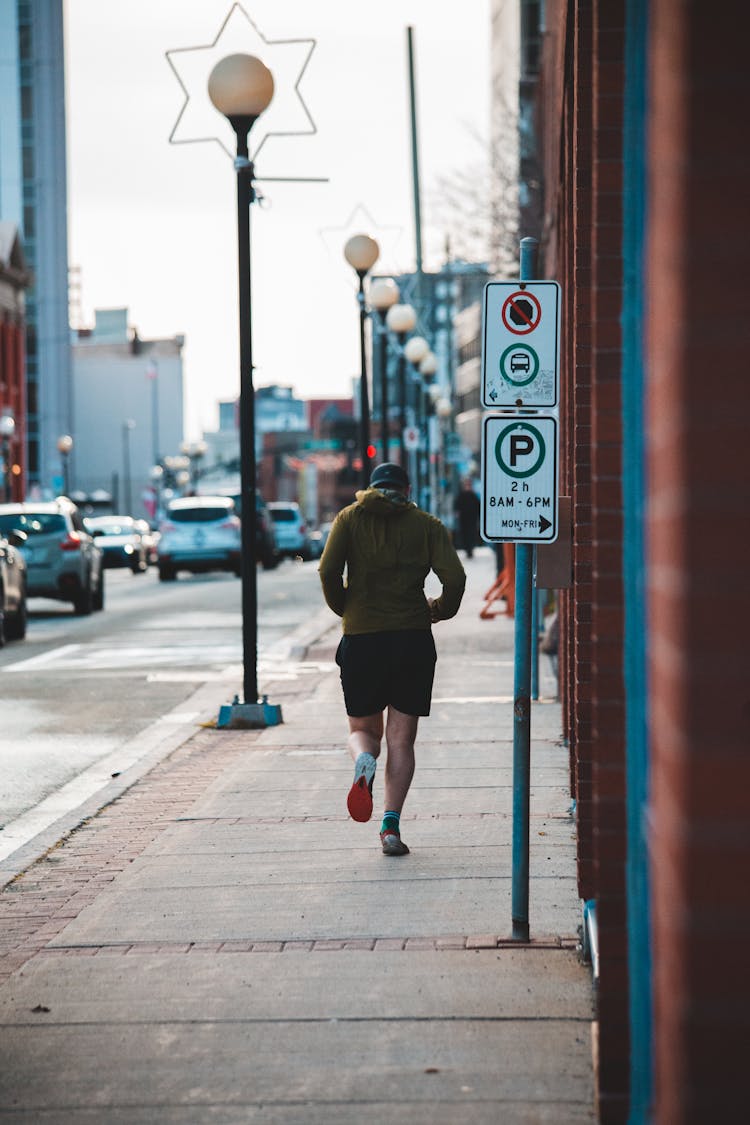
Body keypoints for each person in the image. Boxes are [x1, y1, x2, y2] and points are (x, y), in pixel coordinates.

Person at [318, 462, 466, 856]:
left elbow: (328, 569)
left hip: (362, 640)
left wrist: (344, 607)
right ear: (407, 488)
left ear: (371, 488)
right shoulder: (427, 524)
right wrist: (439, 610)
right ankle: (390, 827)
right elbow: (456, 579)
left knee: (364, 730)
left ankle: (363, 759)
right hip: (411, 640)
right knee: (402, 740)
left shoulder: (349, 519)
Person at [454, 478, 481, 558]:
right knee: (465, 534)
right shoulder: (461, 495)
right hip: (464, 519)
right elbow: (457, 505)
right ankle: (467, 549)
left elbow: (478, 506)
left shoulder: (473, 495)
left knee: (471, 534)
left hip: (472, 518)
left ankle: (470, 550)